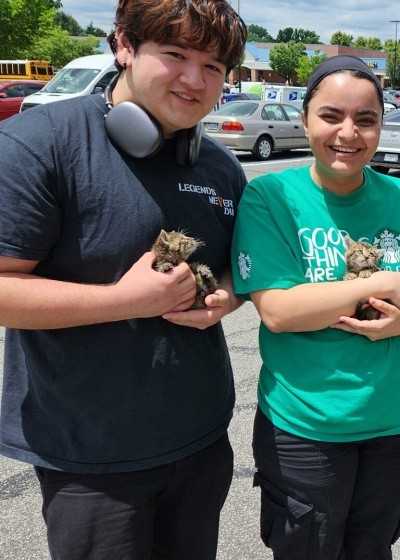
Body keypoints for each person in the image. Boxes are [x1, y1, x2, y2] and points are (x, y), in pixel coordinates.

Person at [0, 1, 247, 558]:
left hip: (201, 441)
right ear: (125, 47)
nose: (194, 79)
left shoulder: (219, 167)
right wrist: (123, 301)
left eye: (213, 66)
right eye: (176, 54)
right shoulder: (41, 144)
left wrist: (229, 294)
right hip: (88, 458)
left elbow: (239, 263)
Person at [230, 55, 400, 559]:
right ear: (305, 118)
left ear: (380, 127)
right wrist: (387, 282)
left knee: (373, 548)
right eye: (331, 116)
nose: (347, 133)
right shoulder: (271, 197)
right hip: (308, 424)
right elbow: (280, 311)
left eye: (366, 120)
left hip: (399, 419)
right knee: (306, 548)